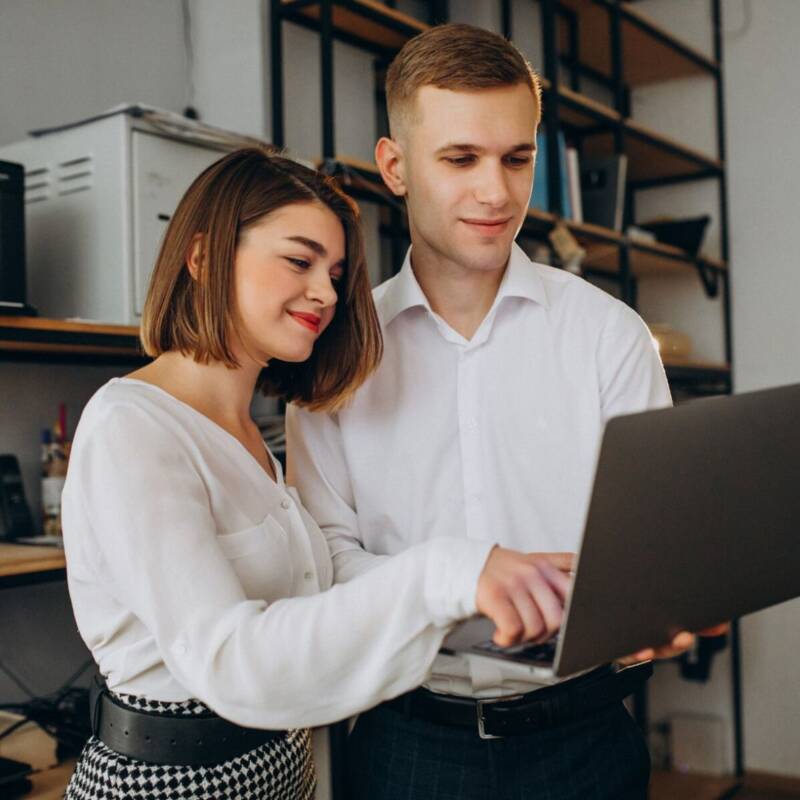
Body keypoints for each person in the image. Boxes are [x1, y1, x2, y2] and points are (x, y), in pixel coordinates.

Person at [286, 24, 723, 800]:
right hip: (408, 744)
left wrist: (675, 594)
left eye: (516, 158)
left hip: (586, 741)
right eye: (460, 159)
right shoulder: (336, 355)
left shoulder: (608, 334)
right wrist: (464, 583)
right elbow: (328, 571)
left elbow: (654, 541)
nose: (496, 192)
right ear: (395, 166)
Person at [60, 147, 574, 800]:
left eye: (334, 273)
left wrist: (498, 586)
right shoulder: (131, 427)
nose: (327, 293)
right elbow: (230, 659)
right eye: (299, 261)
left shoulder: (251, 435)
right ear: (203, 257)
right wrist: (446, 571)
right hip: (169, 783)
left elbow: (318, 596)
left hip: (278, 771)